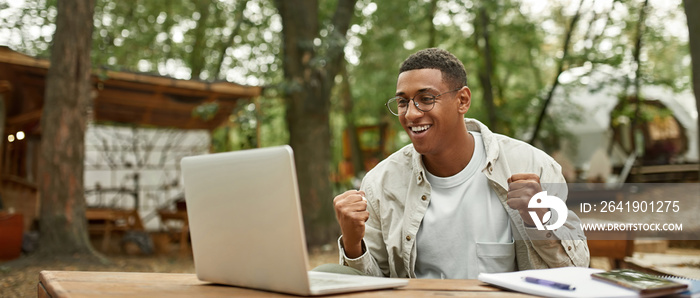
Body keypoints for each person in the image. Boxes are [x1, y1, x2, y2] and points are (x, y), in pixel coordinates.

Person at [330, 48, 589, 278]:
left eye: (426, 99)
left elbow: (576, 270)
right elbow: (369, 286)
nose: (411, 113)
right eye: (402, 102)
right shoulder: (380, 183)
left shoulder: (534, 166)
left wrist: (539, 219)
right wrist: (353, 245)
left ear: (462, 100)